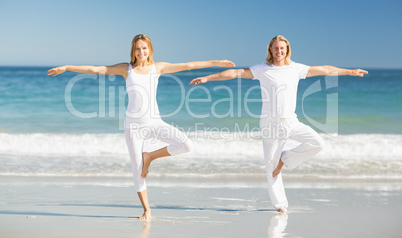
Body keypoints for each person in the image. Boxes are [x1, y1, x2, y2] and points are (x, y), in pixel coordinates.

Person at [48, 34, 235, 221]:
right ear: (133, 50)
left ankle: (150, 156)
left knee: (186, 145)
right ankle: (147, 210)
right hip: (134, 126)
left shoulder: (158, 68)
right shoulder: (126, 69)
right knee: (137, 170)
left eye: (144, 48)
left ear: (150, 49)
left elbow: (188, 65)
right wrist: (66, 67)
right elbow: (96, 69)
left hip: (155, 122)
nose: (141, 52)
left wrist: (215, 62)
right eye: (137, 48)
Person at [189, 35, 368, 213]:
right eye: (276, 48)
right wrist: (208, 78)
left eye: (282, 48)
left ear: (287, 50)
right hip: (270, 123)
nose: (279, 51)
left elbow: (324, 69)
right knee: (272, 168)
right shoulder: (262, 69)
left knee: (317, 143)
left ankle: (286, 158)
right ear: (270, 50)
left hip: (291, 120)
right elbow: (235, 73)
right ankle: (280, 204)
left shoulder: (296, 68)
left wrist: (349, 71)